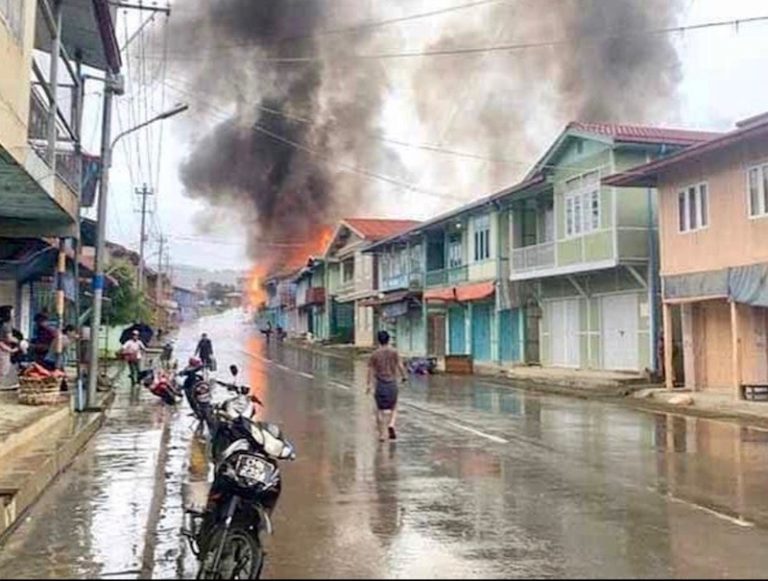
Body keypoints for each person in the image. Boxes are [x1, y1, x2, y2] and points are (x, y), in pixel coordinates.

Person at [367, 330, 408, 441]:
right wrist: (404, 377)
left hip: (380, 384)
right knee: (394, 407)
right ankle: (391, 424)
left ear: (378, 340)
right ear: (388, 340)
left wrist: (369, 385)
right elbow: (400, 365)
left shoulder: (374, 354)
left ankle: (381, 435)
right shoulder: (394, 352)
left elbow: (370, 370)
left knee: (379, 410)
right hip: (392, 384)